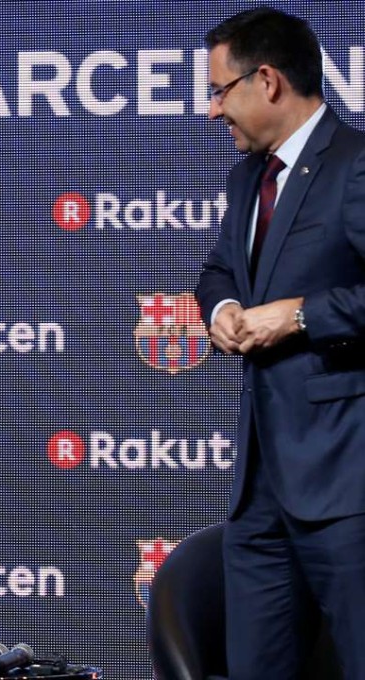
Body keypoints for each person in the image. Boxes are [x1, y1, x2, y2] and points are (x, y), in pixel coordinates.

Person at [196, 7, 365, 678]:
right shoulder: (248, 178)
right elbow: (216, 272)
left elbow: (310, 308)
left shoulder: (354, 166)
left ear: (266, 80)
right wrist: (226, 306)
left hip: (347, 485)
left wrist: (299, 316)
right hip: (259, 493)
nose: (212, 112)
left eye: (219, 90)